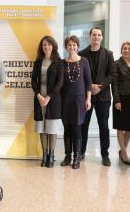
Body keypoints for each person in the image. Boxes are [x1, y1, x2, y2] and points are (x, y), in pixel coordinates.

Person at [78, 27, 116, 166]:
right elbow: (80, 75)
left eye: (99, 35)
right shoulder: (82, 54)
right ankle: (80, 152)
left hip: (103, 96)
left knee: (104, 126)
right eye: (94, 35)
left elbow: (112, 74)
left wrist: (99, 87)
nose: (96, 37)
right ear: (90, 37)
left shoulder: (108, 54)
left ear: (102, 38)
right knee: (83, 125)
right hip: (86, 96)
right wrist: (90, 87)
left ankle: (105, 155)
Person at [31, 36, 64, 167]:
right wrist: (39, 96)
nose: (47, 47)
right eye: (44, 45)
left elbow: (60, 82)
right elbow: (33, 81)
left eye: (49, 45)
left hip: (54, 99)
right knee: (42, 127)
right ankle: (44, 155)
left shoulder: (58, 62)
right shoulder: (38, 61)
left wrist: (49, 97)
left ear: (53, 46)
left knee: (52, 127)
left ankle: (51, 155)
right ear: (42, 47)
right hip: (39, 99)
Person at [60, 36, 92, 169]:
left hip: (79, 100)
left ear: (77, 46)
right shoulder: (62, 62)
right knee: (67, 128)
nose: (72, 47)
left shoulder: (84, 61)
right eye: (69, 45)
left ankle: (77, 157)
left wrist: (88, 99)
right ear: (66, 47)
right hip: (65, 100)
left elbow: (88, 82)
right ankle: (67, 156)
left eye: (74, 45)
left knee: (77, 128)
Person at [112, 41, 130, 165]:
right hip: (121, 98)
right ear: (121, 50)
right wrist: (117, 100)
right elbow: (115, 84)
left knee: (129, 128)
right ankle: (124, 153)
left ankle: (123, 151)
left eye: (129, 49)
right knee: (120, 127)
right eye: (124, 48)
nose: (126, 50)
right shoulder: (116, 64)